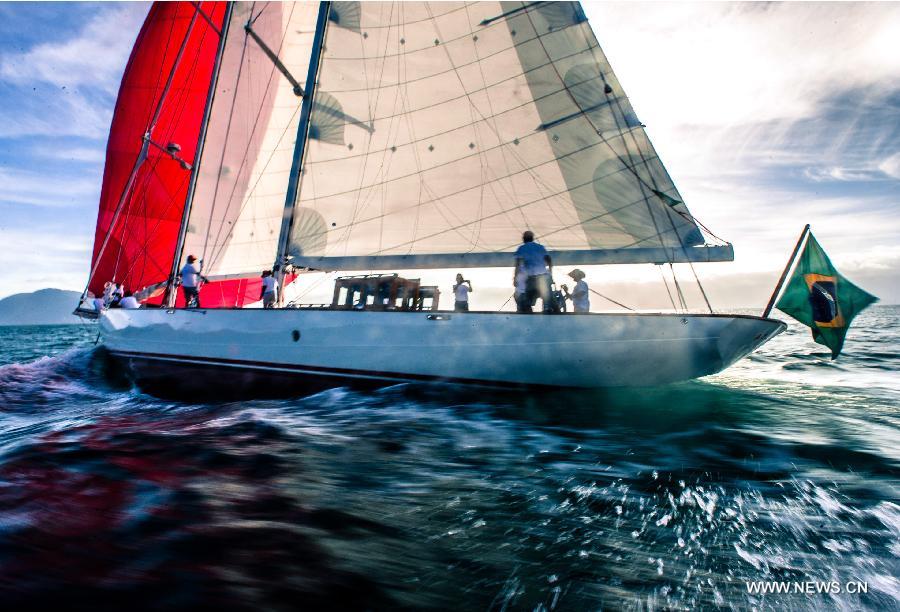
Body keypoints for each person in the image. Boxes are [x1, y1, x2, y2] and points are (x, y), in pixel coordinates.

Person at [513, 230, 552, 313]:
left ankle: (528, 312)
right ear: (532, 238)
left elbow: (518, 265)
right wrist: (550, 272)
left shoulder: (521, 248)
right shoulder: (541, 247)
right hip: (543, 277)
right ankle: (547, 309)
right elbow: (549, 260)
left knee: (526, 299)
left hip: (531, 278)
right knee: (546, 297)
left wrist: (515, 278)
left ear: (523, 239)